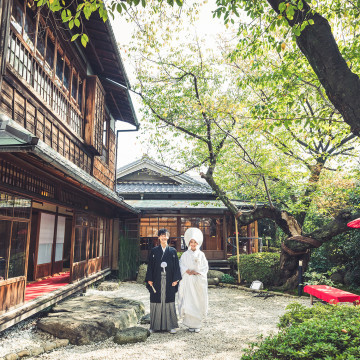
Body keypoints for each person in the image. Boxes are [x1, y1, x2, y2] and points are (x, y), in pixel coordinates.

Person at [145, 228, 181, 334]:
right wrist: (149, 279)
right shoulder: (154, 251)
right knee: (156, 299)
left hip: (169, 280)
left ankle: (170, 326)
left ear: (168, 237)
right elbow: (150, 266)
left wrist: (176, 279)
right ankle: (154, 326)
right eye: (161, 235)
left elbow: (176, 267)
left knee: (169, 300)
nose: (163, 237)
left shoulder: (173, 251)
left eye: (165, 235)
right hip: (156, 279)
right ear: (159, 237)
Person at [178, 227, 208, 333]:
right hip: (188, 281)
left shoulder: (201, 254)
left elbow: (205, 268)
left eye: (195, 242)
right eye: (191, 242)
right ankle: (190, 324)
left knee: (198, 301)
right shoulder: (185, 254)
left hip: (198, 281)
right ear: (188, 243)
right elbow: (181, 264)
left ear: (198, 243)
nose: (193, 244)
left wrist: (197, 272)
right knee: (189, 301)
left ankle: (197, 324)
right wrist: (187, 271)